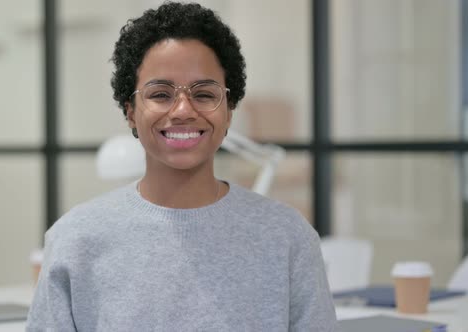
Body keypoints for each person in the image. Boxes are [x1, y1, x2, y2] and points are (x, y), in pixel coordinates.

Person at [26, 2, 337, 331]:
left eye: (204, 94)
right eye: (160, 94)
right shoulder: (76, 239)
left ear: (229, 110)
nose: (183, 110)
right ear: (130, 111)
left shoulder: (287, 236)